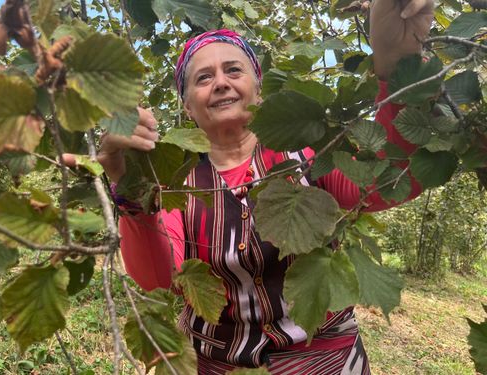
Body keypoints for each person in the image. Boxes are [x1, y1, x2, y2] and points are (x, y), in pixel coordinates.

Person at [97, 0, 434, 373]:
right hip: (215, 363)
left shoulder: (308, 157)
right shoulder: (177, 183)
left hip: (323, 362)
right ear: (187, 106)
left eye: (233, 70)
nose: (221, 82)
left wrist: (395, 67)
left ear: (258, 89)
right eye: (203, 78)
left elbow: (390, 180)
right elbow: (160, 280)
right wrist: (131, 182)